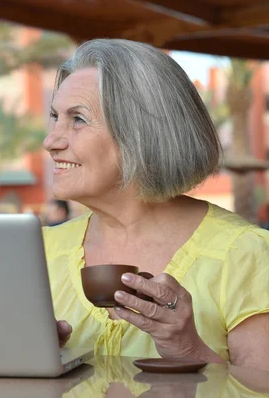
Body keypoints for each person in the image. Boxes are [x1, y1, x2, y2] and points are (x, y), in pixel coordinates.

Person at [43, 39, 269, 370]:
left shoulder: (245, 254)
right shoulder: (40, 252)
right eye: (54, 117)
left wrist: (191, 351)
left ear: (141, 134)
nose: (51, 141)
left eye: (78, 119)